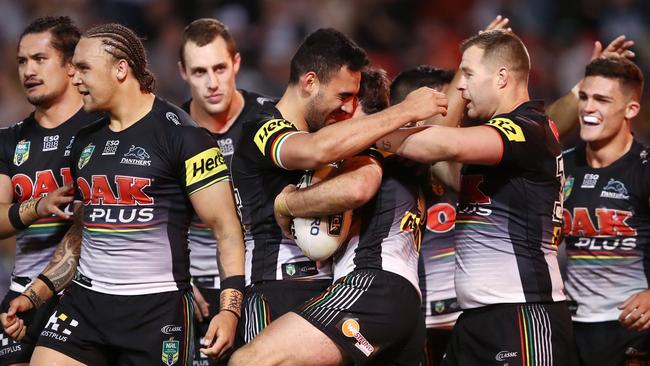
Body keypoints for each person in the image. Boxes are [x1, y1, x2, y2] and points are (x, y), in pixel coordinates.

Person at [3, 23, 245, 365]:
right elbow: (86, 226)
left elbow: (227, 229)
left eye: (84, 68)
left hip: (155, 312)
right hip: (85, 305)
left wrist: (230, 310)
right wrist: (37, 293)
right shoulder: (85, 142)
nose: (75, 79)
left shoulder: (185, 138)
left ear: (120, 69)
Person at [228, 28, 447, 342]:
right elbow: (314, 149)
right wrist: (405, 110)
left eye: (355, 99)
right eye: (343, 96)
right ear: (310, 82)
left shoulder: (336, 134)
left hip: (330, 292)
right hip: (275, 291)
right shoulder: (261, 127)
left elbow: (425, 142)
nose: (348, 108)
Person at [377, 29, 573, 365]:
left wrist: (363, 135)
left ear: (501, 77)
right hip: (476, 319)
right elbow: (444, 164)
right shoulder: (499, 145)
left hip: (522, 313)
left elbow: (440, 144)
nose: (461, 86)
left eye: (467, 74)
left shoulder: (528, 127)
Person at [0, 16, 101, 366]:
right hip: (21, 293)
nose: (28, 70)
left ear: (71, 66)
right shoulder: (8, 140)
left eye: (40, 59)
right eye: (22, 61)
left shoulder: (102, 131)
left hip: (85, 293)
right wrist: (36, 207)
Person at [177, 18, 275, 365]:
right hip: (189, 287)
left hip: (260, 279)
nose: (213, 83)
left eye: (220, 68)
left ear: (236, 63)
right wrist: (175, 277)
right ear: (183, 73)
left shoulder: (270, 118)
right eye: (200, 72)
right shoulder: (167, 131)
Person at [561, 57, 650, 365]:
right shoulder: (560, 167)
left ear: (631, 109)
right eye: (584, 97)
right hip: (569, 328)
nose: (587, 108)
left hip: (633, 329)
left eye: (602, 99)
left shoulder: (645, 169)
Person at [390, 66, 459, 366]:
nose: (458, 111)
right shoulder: (394, 158)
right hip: (415, 327)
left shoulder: (460, 155)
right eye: (447, 103)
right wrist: (470, 68)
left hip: (465, 321)